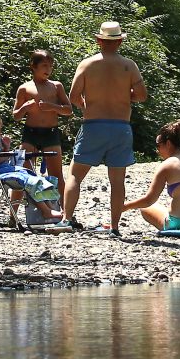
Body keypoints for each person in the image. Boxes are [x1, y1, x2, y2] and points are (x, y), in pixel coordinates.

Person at [61, 21, 147, 235]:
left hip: (94, 124)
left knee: (75, 175)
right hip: (121, 126)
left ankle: (66, 219)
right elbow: (142, 96)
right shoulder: (129, 65)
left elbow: (73, 96)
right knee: (117, 181)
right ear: (119, 41)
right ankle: (115, 227)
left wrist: (85, 105)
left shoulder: (87, 64)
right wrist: (124, 97)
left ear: (99, 40)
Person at [0, 112, 63, 223]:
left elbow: (1, 156)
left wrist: (6, 147)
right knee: (24, 179)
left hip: (3, 170)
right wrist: (8, 155)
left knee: (30, 175)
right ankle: (46, 211)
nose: (0, 133)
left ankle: (49, 208)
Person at [14, 49, 73, 177]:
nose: (48, 69)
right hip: (30, 134)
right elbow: (16, 116)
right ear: (33, 66)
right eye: (44, 65)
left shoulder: (57, 86)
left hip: (51, 134)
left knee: (57, 175)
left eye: (51, 66)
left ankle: (62, 198)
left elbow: (69, 110)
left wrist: (52, 107)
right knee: (22, 173)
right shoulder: (24, 88)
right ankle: (16, 198)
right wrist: (24, 108)